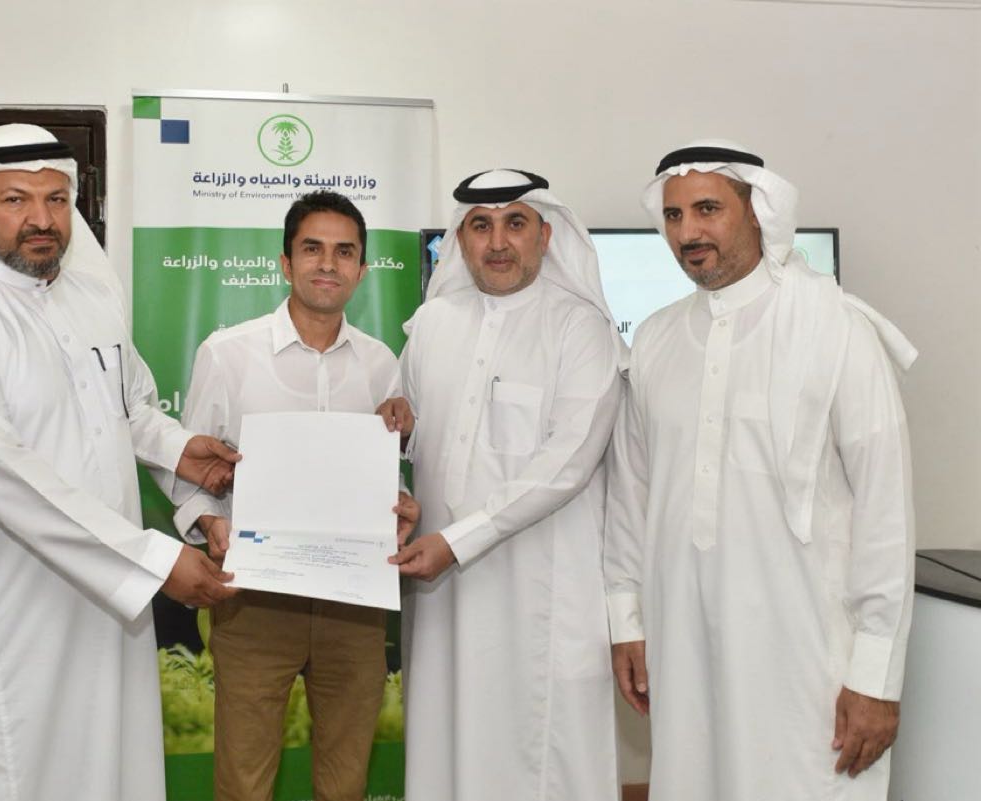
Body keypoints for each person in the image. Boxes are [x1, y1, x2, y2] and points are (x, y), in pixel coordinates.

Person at [0, 124, 239, 801]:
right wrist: (150, 560)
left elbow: (128, 405)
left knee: (101, 766)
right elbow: (0, 469)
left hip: (99, 606)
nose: (41, 219)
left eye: (56, 199)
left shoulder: (89, 297)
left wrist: (177, 450)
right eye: (15, 199)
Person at [603, 140, 916, 800]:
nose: (688, 232)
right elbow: (631, 494)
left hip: (806, 657)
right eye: (673, 215)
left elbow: (885, 507)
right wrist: (627, 622)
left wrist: (876, 677)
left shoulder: (836, 327)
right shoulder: (655, 338)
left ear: (757, 211)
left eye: (708, 209)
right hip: (684, 649)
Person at [377, 169, 627, 801]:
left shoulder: (581, 329)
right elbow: (420, 435)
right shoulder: (432, 324)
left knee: (539, 754)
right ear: (460, 239)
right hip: (442, 589)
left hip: (540, 589)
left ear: (546, 234)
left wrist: (458, 541)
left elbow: (568, 463)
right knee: (446, 740)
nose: (497, 242)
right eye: (480, 226)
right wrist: (399, 431)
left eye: (515, 223)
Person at [168, 190, 419, 801]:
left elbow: (385, 476)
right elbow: (188, 471)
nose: (328, 264)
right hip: (255, 601)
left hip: (353, 604)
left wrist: (401, 504)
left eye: (344, 252)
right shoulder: (227, 355)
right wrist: (210, 524)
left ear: (362, 269)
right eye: (312, 249)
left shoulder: (382, 363)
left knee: (345, 783)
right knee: (244, 782)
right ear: (285, 262)